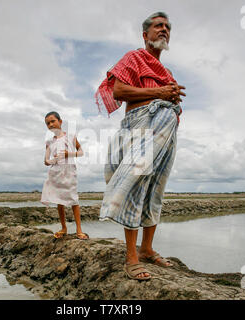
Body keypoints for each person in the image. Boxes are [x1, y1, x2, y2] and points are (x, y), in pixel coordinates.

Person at [95, 12, 186, 280]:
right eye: (158, 26)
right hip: (140, 125)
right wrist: (160, 93)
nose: (164, 30)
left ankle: (146, 249)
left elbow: (168, 98)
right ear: (145, 35)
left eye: (168, 27)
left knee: (156, 188)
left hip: (165, 130)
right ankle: (131, 257)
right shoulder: (134, 58)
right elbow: (119, 92)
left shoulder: (166, 72)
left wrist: (169, 102)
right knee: (137, 182)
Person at [41, 111, 89, 240]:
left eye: (53, 121)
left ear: (60, 122)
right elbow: (46, 161)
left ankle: (79, 230)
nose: (51, 124)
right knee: (58, 200)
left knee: (74, 199)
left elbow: (81, 152)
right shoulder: (49, 141)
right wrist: (53, 160)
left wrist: (69, 154)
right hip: (55, 172)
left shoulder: (71, 136)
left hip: (69, 170)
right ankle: (64, 227)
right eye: (48, 123)